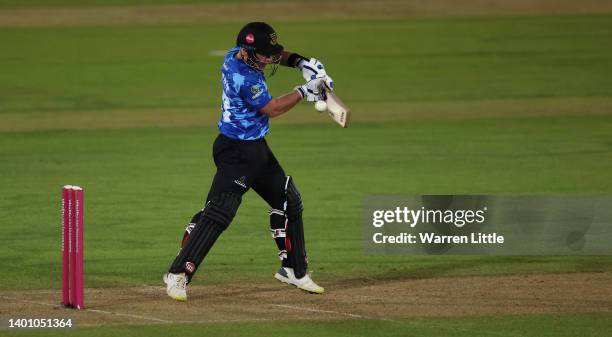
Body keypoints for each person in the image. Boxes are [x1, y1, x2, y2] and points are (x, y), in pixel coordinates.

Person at [163, 22, 333, 301]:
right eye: (265, 54)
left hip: (255, 149)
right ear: (248, 51)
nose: (270, 58)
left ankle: (294, 270)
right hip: (235, 151)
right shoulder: (242, 76)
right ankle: (178, 274)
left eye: (271, 52)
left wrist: (303, 63)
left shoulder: (242, 53)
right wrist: (305, 91)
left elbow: (277, 54)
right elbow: (273, 109)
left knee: (289, 200)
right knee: (221, 212)